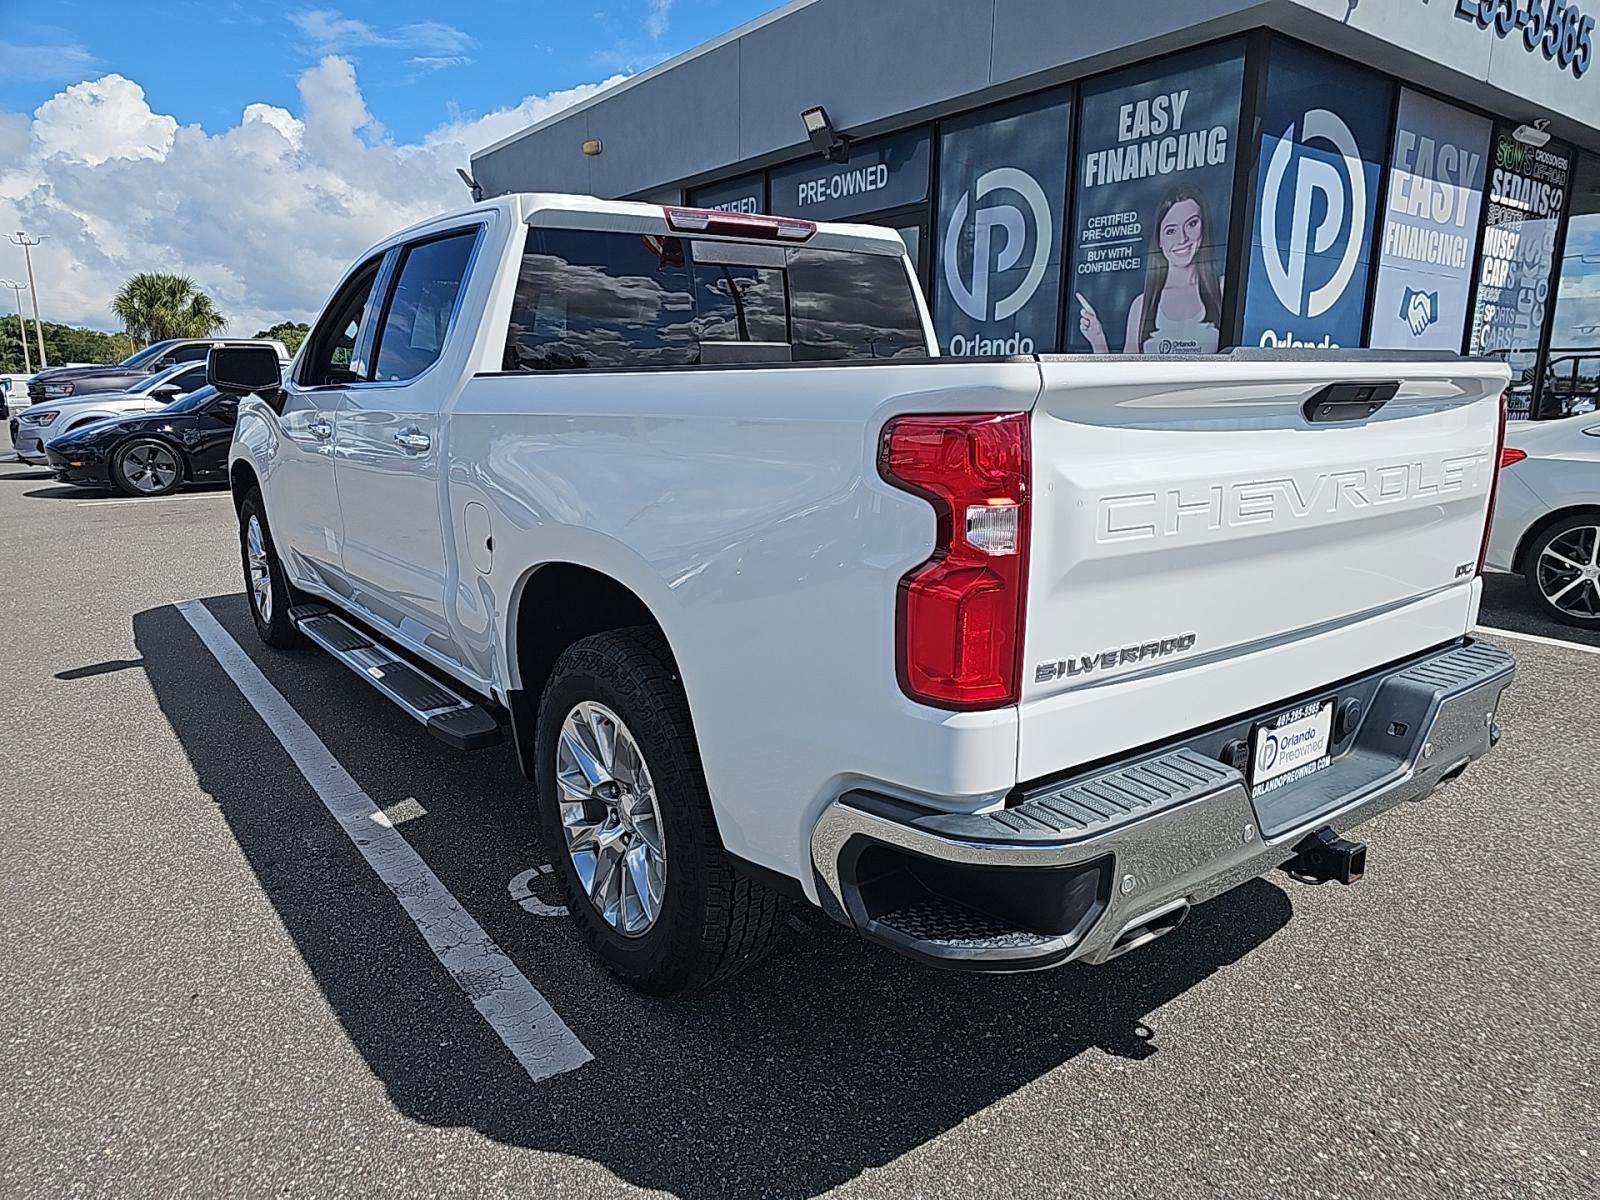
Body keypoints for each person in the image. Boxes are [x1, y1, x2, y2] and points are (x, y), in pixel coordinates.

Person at [1078, 187, 1224, 355]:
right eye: (1171, 230)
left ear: (1204, 227)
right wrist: (1098, 340)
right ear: (1159, 240)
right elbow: (1125, 374)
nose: (1182, 238)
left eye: (1191, 224)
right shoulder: (1142, 306)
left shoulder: (1221, 290)